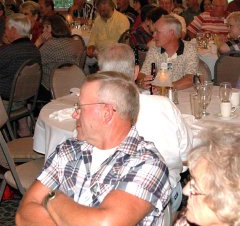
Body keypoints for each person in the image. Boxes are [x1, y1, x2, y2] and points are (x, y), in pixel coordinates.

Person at [16, 71, 171, 225]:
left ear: (106, 112)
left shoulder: (147, 163)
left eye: (80, 107)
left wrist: (52, 198)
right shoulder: (69, 150)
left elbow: (105, 223)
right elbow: (24, 214)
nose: (74, 115)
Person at [98, 43, 193, 212]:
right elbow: (186, 155)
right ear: (136, 72)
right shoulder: (164, 106)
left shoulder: (92, 112)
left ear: (100, 75)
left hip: (107, 198)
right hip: (162, 198)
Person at [0, 13, 41, 137]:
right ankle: (23, 128)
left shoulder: (8, 52)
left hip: (6, 103)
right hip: (25, 100)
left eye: (6, 29)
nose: (5, 32)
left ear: (13, 30)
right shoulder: (34, 50)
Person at [138, 15, 198, 90]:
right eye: (154, 31)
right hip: (158, 97)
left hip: (181, 96)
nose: (154, 35)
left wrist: (164, 89)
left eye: (158, 32)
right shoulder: (154, 50)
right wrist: (142, 81)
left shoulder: (189, 50)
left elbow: (190, 79)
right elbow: (142, 73)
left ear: (171, 33)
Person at [37, 15, 82, 94]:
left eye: (47, 27)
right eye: (43, 27)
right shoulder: (74, 41)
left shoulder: (50, 45)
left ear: (56, 28)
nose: (43, 30)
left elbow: (33, 62)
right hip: (72, 82)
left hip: (51, 86)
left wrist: (38, 42)